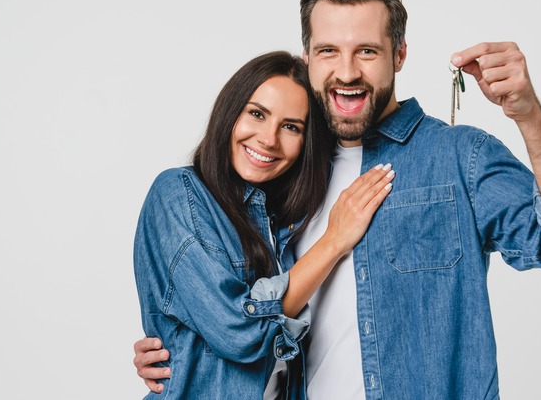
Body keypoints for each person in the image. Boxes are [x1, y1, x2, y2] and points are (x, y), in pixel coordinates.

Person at [135, 0, 541, 399]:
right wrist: (179, 352)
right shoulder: (282, 170)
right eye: (329, 51)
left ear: (400, 54)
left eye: (367, 51)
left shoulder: (458, 157)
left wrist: (528, 116)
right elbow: (236, 313)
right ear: (308, 57)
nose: (346, 72)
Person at [133, 50, 396, 399]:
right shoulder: (178, 193)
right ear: (230, 113)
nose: (269, 139)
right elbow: (239, 330)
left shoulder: (280, 223)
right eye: (257, 114)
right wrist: (334, 241)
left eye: (290, 127)